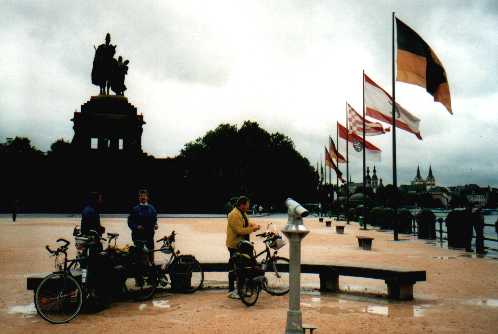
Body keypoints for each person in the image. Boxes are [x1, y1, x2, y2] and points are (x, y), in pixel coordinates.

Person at [226, 196, 260, 299]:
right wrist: (252, 229)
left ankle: (240, 288)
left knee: (241, 267)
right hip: (235, 245)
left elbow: (247, 223)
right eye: (247, 204)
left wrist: (254, 225)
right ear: (242, 205)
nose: (248, 206)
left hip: (242, 244)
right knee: (236, 268)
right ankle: (233, 290)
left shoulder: (242, 213)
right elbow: (239, 230)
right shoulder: (234, 214)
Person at [128, 189, 158, 262]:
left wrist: (156, 225)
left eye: (144, 196)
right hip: (138, 236)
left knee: (151, 252)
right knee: (140, 255)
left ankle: (152, 268)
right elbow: (130, 222)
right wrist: (136, 226)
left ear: (147, 197)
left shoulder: (152, 208)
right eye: (141, 196)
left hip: (149, 236)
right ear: (139, 198)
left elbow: (155, 220)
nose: (143, 197)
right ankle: (140, 270)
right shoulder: (135, 209)